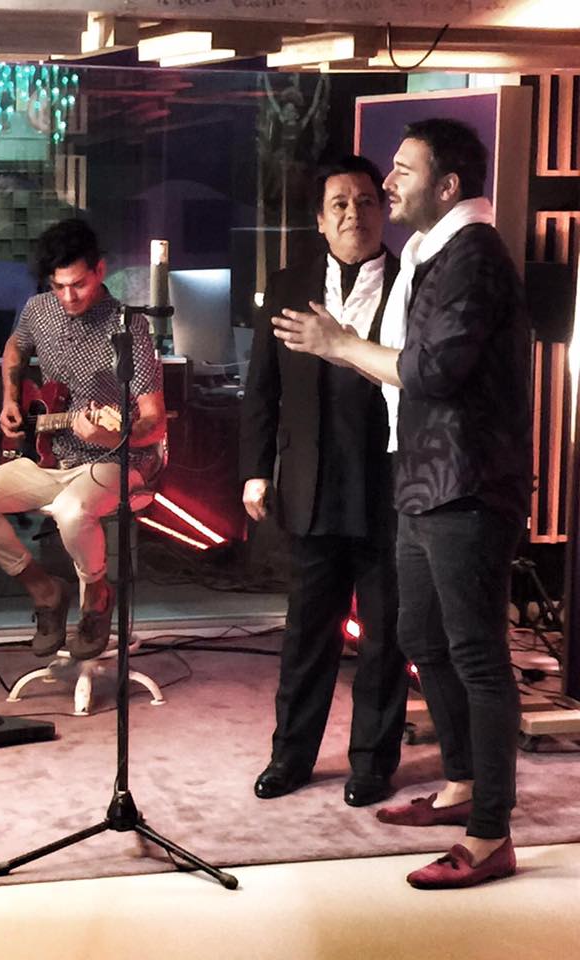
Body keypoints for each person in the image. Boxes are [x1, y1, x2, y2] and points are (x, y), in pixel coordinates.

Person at [272, 119, 531, 889]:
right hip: (421, 476)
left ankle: (491, 835)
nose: (387, 184)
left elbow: (433, 369)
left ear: (447, 186)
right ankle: (463, 784)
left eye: (403, 170)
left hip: (467, 482)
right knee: (421, 635)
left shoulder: (474, 254)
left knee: (477, 654)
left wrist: (339, 344)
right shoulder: (431, 251)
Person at [241, 155, 407, 808]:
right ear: (319, 218)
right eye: (339, 203)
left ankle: (373, 762)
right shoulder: (288, 285)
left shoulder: (411, 283)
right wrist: (255, 471)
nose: (353, 214)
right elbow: (262, 390)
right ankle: (290, 757)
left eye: (365, 201)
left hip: (389, 483)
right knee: (307, 633)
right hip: (311, 483)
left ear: (383, 210)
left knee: (386, 636)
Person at [0, 218, 166, 660]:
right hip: (52, 457)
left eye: (79, 284)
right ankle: (45, 590)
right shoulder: (39, 310)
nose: (69, 297)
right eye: (59, 286)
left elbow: (155, 423)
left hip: (117, 459)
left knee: (71, 510)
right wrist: (10, 397)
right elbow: (15, 347)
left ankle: (97, 595)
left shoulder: (129, 327)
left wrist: (110, 432)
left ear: (100, 270)